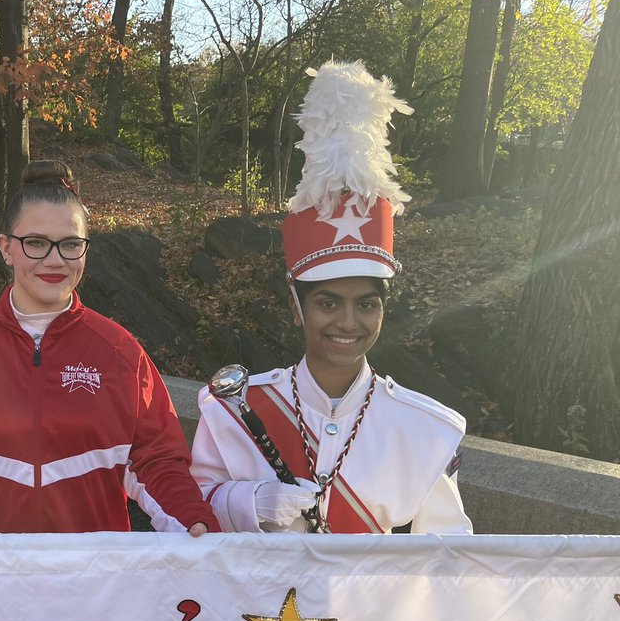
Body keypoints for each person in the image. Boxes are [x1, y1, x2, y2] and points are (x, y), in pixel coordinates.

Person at [0, 160, 218, 536]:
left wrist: (189, 519)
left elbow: (158, 461)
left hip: (91, 570)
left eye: (70, 244)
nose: (55, 260)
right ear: (6, 248)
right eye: (35, 243)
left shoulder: (121, 353)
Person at [191, 62, 472, 535]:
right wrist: (251, 503)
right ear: (295, 307)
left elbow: (446, 556)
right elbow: (191, 508)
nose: (348, 321)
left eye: (367, 304)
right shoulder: (233, 410)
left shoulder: (425, 427)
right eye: (327, 303)